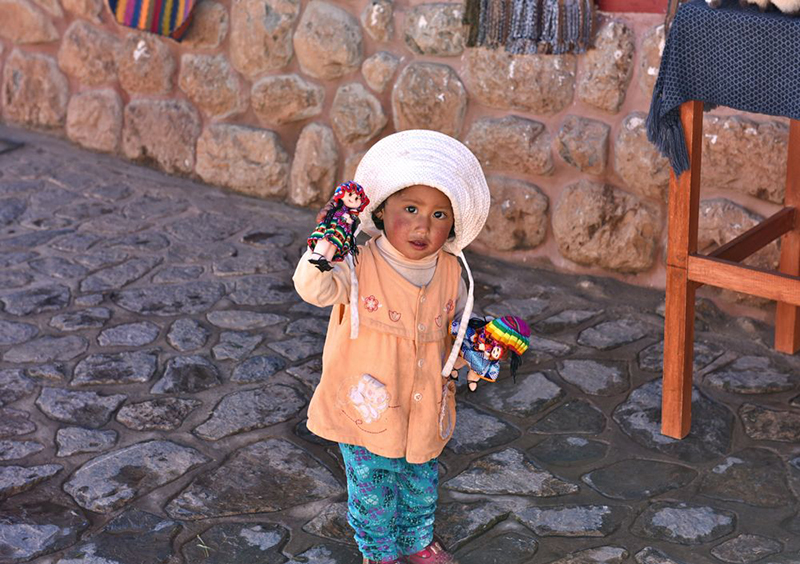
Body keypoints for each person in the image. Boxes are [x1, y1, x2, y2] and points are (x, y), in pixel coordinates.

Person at [293, 129, 491, 564]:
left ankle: (417, 541)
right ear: (381, 212)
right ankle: (379, 553)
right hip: (368, 408)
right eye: (411, 208)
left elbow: (456, 325)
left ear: (454, 225)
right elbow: (312, 288)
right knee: (373, 489)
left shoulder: (449, 271)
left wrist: (473, 352)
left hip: (424, 405)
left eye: (440, 215)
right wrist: (324, 248)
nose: (424, 225)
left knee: (421, 479)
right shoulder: (358, 263)